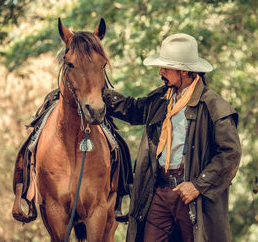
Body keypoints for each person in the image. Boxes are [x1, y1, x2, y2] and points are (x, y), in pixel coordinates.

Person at [103, 33, 242, 242]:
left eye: (166, 68)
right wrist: (96, 90)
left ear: (184, 70)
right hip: (159, 191)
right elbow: (132, 109)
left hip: (191, 195)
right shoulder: (161, 99)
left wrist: (198, 185)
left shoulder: (213, 106)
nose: (161, 72)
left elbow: (231, 153)